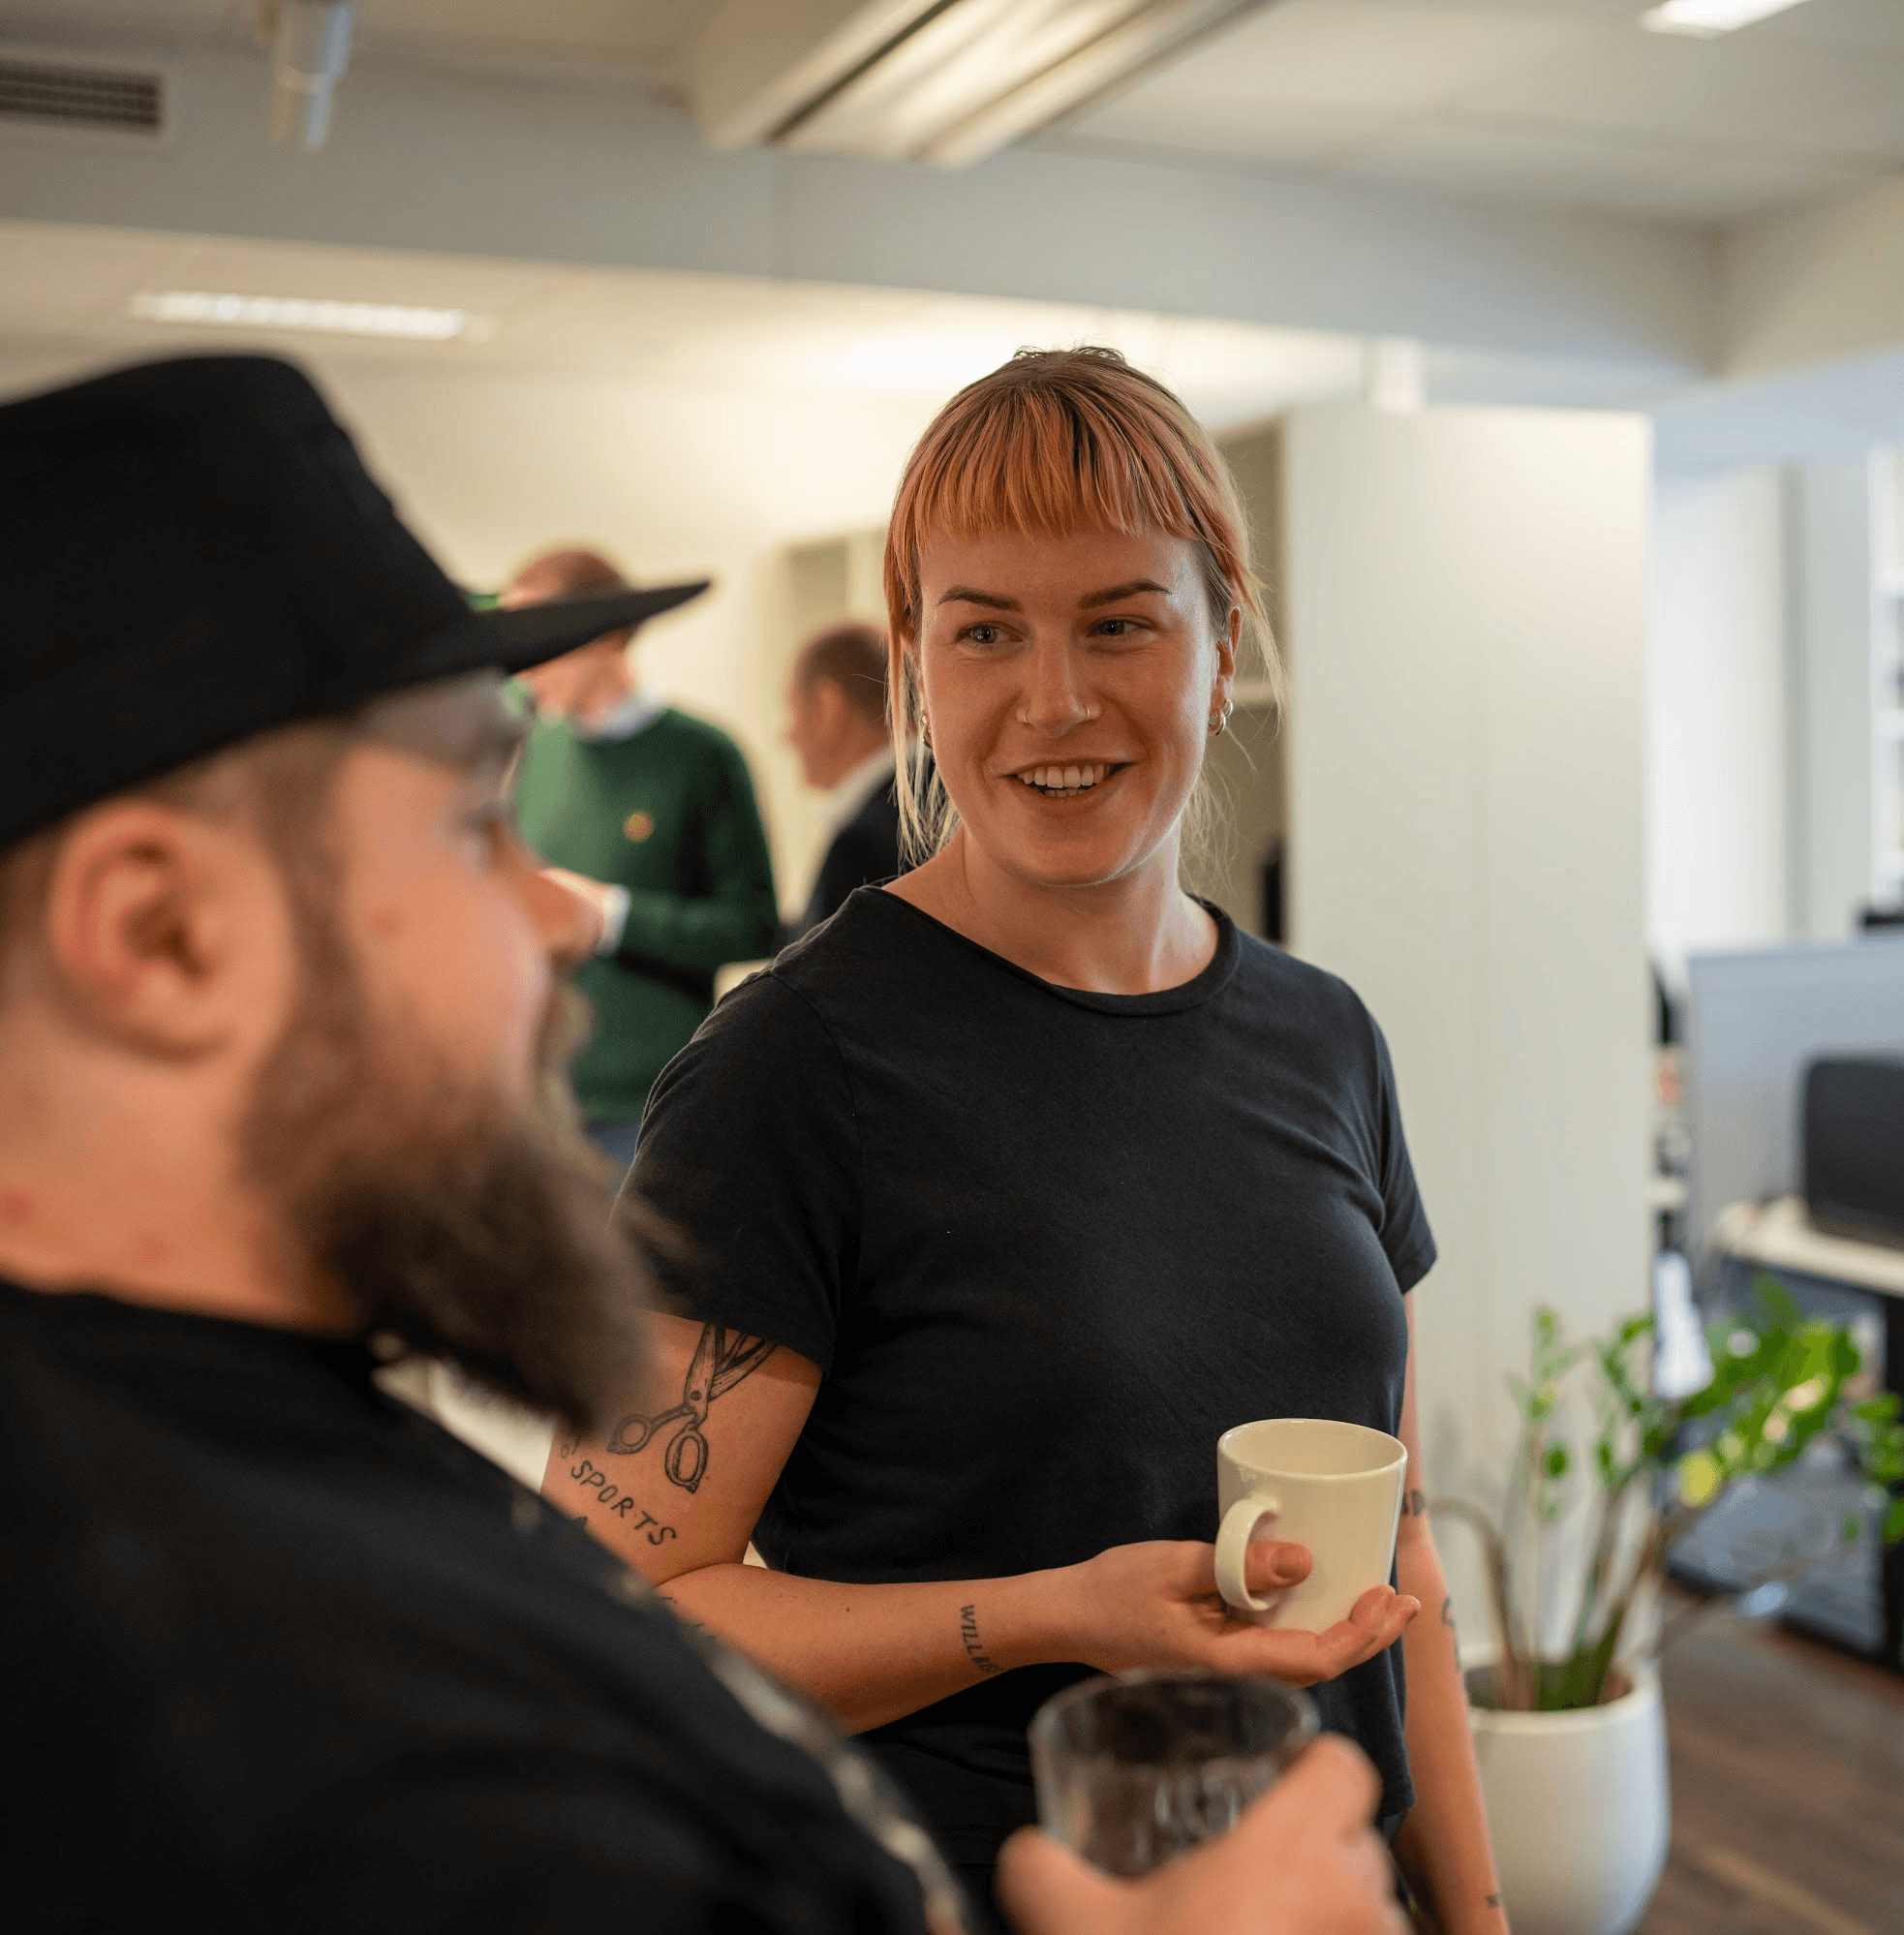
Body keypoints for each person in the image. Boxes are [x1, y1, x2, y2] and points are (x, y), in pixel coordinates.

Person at [0, 352, 1407, 1935]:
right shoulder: (209, 1681)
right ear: (159, 930)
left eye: (1119, 619)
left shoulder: (297, 1488)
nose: (561, 919)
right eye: (480, 820)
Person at [550, 349, 1506, 1933]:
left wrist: (1471, 1912)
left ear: (1222, 641)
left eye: (1120, 619)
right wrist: (1051, 1615)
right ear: (917, 664)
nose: (1053, 698)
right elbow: (612, 1604)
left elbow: (1394, 1540)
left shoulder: (1326, 1035)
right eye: (984, 629)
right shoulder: (797, 1065)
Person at [506, 546, 778, 1169]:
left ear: (607, 636)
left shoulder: (702, 755)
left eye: (537, 640)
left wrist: (611, 917)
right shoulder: (533, 755)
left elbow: (754, 924)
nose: (522, 670)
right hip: (545, 1096)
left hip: (653, 1103)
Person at [783, 618, 907, 935]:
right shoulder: (949, 808)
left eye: (792, 709)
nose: (787, 735)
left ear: (828, 707)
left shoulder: (862, 846)